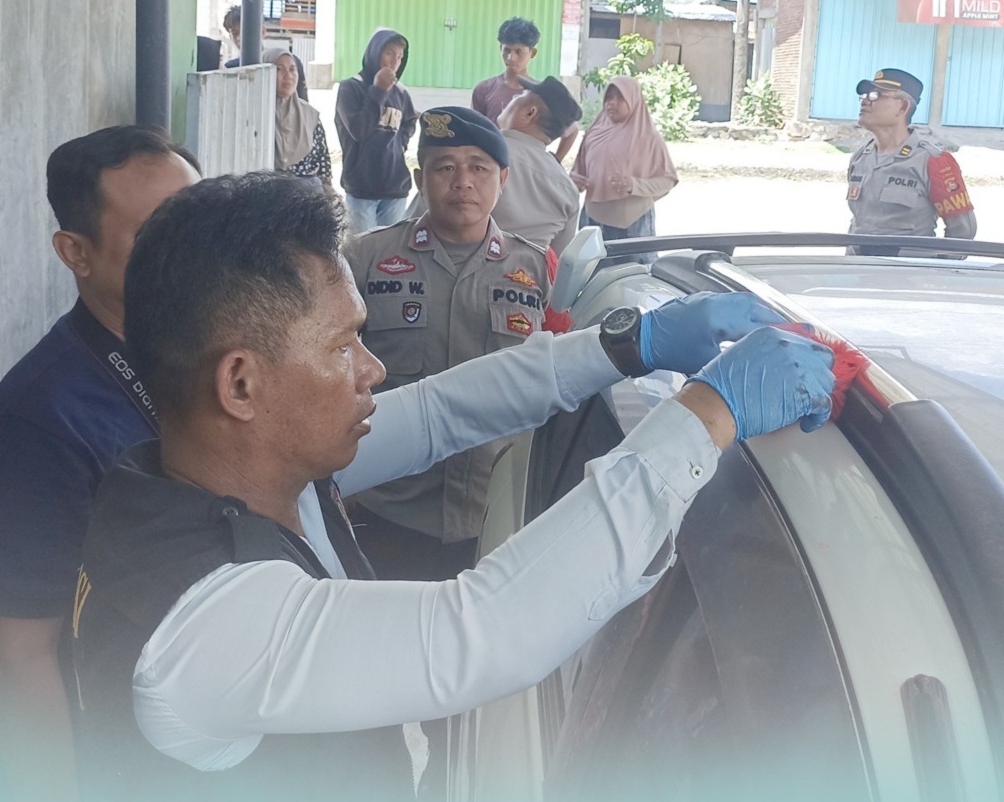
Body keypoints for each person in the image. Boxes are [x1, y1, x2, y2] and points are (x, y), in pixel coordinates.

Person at [71, 170, 836, 802]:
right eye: (342, 346)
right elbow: (486, 631)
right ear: (241, 384)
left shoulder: (233, 468)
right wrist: (705, 416)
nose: (372, 368)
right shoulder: (201, 629)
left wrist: (631, 344)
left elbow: (440, 411)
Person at [0, 126, 200, 802]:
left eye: (197, 219)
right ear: (76, 253)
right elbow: (20, 655)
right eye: (156, 235)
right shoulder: (31, 428)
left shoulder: (206, 352)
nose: (194, 252)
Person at [344, 106, 572, 582]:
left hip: (497, 512)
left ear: (503, 179)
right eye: (445, 167)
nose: (463, 182)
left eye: (479, 168)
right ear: (419, 179)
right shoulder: (364, 260)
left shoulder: (539, 270)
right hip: (385, 508)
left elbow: (565, 382)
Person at [408, 76, 582, 254]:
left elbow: (412, 227)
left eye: (520, 96)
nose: (512, 98)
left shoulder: (475, 156)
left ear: (530, 113)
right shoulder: (567, 189)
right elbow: (560, 259)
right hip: (529, 270)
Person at [846, 68, 976, 256]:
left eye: (876, 95)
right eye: (864, 95)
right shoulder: (860, 158)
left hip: (906, 271)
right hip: (860, 268)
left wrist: (937, 268)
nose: (865, 101)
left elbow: (963, 232)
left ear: (903, 107)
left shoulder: (933, 161)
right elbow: (857, 223)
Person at [572, 76, 678, 266]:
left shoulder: (647, 137)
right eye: (609, 97)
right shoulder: (594, 133)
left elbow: (668, 179)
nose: (612, 103)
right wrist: (575, 181)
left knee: (632, 277)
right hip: (592, 220)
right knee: (591, 276)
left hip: (632, 223)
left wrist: (633, 185)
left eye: (620, 98)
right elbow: (578, 171)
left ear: (633, 100)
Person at [334, 29, 418, 233]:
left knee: (390, 249)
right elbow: (359, 130)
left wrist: (400, 144)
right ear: (375, 52)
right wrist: (379, 90)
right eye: (389, 53)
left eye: (400, 57)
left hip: (395, 189)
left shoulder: (401, 93)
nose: (394, 61)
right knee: (361, 247)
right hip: (362, 190)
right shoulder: (350, 88)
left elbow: (409, 121)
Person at [472, 17, 579, 164]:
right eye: (506, 50)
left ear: (532, 53)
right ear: (500, 49)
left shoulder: (541, 95)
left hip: (527, 163)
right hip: (491, 163)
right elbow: (475, 130)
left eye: (518, 51)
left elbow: (572, 130)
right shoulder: (484, 89)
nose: (511, 57)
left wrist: (556, 160)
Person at [261, 48, 331, 192]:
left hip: (309, 194)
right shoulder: (257, 114)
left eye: (292, 69)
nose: (288, 76)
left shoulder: (309, 114)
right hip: (269, 193)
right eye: (279, 69)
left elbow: (323, 161)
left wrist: (327, 191)